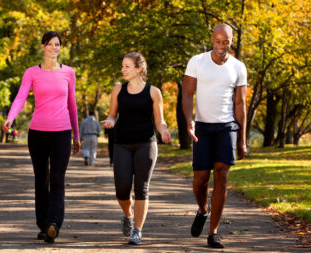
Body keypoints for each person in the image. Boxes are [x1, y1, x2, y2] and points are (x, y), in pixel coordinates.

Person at [2, 31, 80, 244]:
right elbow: (20, 97)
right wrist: (11, 117)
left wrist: (77, 135)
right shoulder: (31, 73)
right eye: (52, 44)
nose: (55, 48)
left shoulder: (69, 73)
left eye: (58, 45)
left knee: (57, 178)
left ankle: (54, 223)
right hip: (37, 133)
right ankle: (43, 225)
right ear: (43, 46)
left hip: (62, 133)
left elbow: (72, 105)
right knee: (41, 179)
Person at [182, 24, 247, 248]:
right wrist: (189, 120)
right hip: (202, 126)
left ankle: (213, 233)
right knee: (200, 180)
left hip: (226, 127)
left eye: (226, 42)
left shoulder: (239, 67)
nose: (221, 46)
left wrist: (242, 139)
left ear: (231, 41)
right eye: (218, 41)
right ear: (212, 39)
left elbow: (240, 104)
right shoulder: (197, 61)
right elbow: (187, 93)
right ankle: (202, 210)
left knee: (222, 175)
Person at [101, 52, 171, 245]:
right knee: (121, 189)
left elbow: (159, 120)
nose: (123, 70)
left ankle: (137, 230)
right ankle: (128, 213)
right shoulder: (118, 90)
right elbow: (113, 115)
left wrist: (164, 131)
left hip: (146, 143)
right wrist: (110, 121)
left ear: (139, 69)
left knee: (142, 188)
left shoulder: (153, 92)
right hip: (122, 143)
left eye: (127, 66)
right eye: (122, 66)